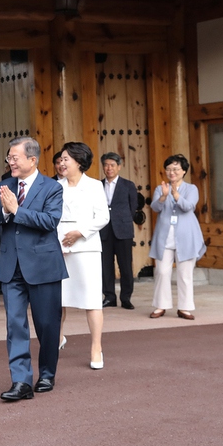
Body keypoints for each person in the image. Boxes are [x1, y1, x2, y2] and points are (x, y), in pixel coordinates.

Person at [0, 137, 68, 401]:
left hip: (43, 266)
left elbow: (50, 221)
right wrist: (6, 213)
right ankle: (20, 381)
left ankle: (46, 373)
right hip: (12, 267)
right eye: (9, 157)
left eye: (15, 157)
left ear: (32, 160)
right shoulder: (4, 185)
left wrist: (16, 210)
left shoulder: (52, 187)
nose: (10, 162)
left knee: (46, 325)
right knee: (15, 325)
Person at [56, 143, 110, 370]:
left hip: (86, 246)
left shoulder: (95, 185)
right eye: (60, 159)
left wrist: (79, 233)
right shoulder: (54, 186)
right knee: (57, 299)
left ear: (79, 161)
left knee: (91, 299)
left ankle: (96, 347)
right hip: (59, 244)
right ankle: (56, 338)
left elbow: (103, 217)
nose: (61, 163)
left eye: (66, 159)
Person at [149, 154, 205, 321]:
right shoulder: (161, 188)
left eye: (175, 169)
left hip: (186, 236)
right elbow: (155, 207)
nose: (171, 172)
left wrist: (176, 196)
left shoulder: (191, 188)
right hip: (164, 237)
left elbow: (189, 207)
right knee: (162, 271)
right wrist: (164, 196)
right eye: (168, 169)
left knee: (184, 274)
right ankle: (161, 305)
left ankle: (185, 308)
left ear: (184, 171)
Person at [100, 152, 138, 309]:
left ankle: (126, 297)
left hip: (123, 230)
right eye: (106, 165)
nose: (109, 168)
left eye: (112, 165)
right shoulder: (97, 185)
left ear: (119, 167)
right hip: (103, 230)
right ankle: (109, 297)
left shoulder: (128, 185)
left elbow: (133, 207)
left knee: (125, 266)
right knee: (105, 266)